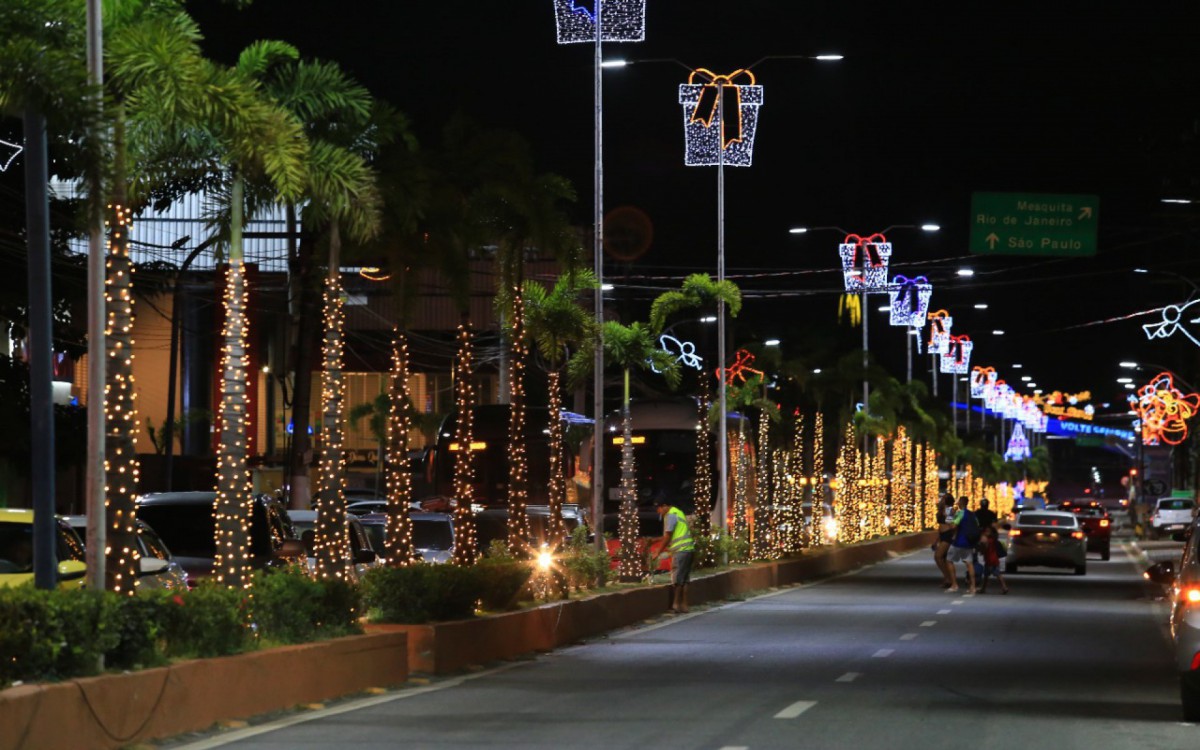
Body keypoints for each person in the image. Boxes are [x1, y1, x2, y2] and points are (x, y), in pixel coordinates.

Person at [655, 499, 695, 613]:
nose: (659, 512)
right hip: (689, 549)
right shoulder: (679, 512)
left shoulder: (670, 515)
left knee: (677, 579)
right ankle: (685, 605)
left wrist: (658, 552)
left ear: (664, 506)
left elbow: (668, 536)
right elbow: (674, 534)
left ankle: (676, 604)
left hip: (680, 550)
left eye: (659, 509)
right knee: (685, 579)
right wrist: (654, 541)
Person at [945, 496, 979, 594]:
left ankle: (954, 584)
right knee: (969, 564)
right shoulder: (972, 514)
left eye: (958, 501)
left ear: (961, 503)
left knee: (949, 560)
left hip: (959, 542)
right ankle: (973, 587)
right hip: (969, 542)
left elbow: (953, 526)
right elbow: (977, 525)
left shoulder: (960, 513)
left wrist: (949, 519)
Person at [976, 525, 1009, 594]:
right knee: (987, 575)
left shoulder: (988, 541)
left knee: (997, 574)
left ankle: (1004, 587)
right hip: (991, 560)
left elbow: (984, 549)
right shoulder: (993, 540)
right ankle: (984, 588)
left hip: (991, 560)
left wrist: (981, 546)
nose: (985, 533)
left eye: (987, 532)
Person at [934, 494, 957, 588]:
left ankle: (949, 579)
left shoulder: (950, 510)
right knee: (945, 559)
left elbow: (951, 525)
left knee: (938, 556)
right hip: (942, 535)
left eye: (943, 499)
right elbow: (940, 527)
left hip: (948, 535)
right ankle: (949, 579)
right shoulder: (941, 511)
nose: (941, 500)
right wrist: (937, 540)